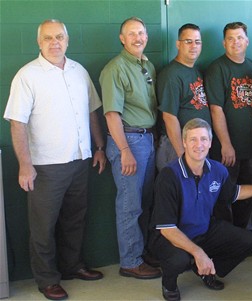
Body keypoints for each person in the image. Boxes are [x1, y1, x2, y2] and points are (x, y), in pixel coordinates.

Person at [3, 19, 106, 300]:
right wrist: (25, 165)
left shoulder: (78, 72)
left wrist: (99, 147)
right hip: (45, 167)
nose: (54, 42)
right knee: (43, 226)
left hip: (80, 160)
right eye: (48, 38)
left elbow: (92, 111)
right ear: (39, 42)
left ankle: (72, 266)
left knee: (75, 220)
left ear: (68, 40)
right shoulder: (27, 76)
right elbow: (17, 124)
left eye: (59, 37)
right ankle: (47, 279)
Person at [152, 118, 252, 301]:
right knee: (179, 260)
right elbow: (167, 228)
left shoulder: (218, 170)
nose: (199, 145)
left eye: (204, 139)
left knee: (248, 240)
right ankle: (169, 282)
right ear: (184, 143)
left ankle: (206, 270)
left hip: (203, 230)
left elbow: (234, 193)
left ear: (211, 142)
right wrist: (198, 253)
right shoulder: (169, 175)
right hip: (170, 236)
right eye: (193, 139)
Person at [100, 16, 160, 279]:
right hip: (128, 141)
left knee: (145, 202)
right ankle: (130, 261)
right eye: (131, 34)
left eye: (141, 33)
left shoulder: (147, 65)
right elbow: (112, 115)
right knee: (129, 205)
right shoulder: (116, 68)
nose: (138, 38)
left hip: (147, 139)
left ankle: (142, 253)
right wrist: (124, 150)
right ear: (122, 39)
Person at [205, 21, 252, 229]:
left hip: (250, 147)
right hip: (227, 148)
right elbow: (215, 109)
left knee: (249, 194)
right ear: (223, 43)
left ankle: (241, 237)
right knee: (225, 195)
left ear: (247, 41)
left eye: (239, 38)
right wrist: (226, 144)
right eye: (230, 38)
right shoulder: (217, 68)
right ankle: (227, 240)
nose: (235, 42)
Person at [156, 23, 211, 171]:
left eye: (197, 42)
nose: (193, 46)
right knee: (178, 191)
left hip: (196, 146)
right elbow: (169, 117)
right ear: (178, 44)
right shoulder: (171, 74)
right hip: (177, 146)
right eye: (188, 41)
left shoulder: (196, 71)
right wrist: (183, 156)